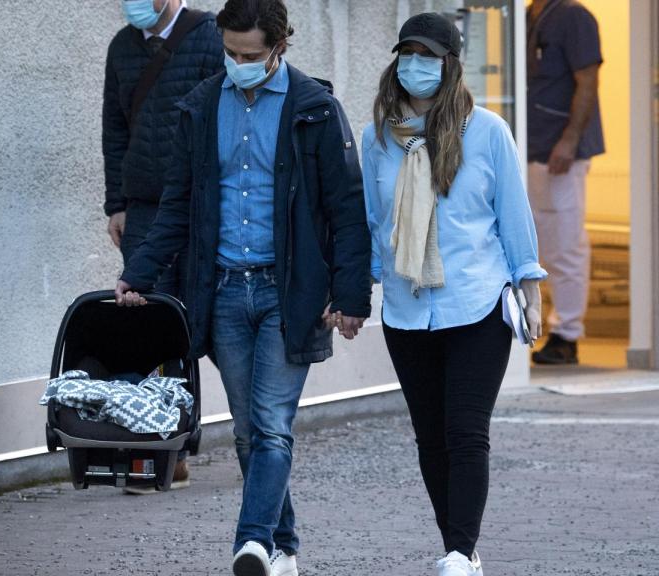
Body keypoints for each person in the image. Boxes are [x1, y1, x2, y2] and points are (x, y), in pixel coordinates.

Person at [115, 0, 371, 573]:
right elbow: (178, 206)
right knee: (249, 432)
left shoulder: (316, 110)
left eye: (250, 55)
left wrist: (351, 295)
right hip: (225, 292)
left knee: (273, 423)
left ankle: (250, 542)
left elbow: (348, 209)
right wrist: (140, 273)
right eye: (230, 53)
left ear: (279, 47)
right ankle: (283, 549)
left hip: (291, 294)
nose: (238, 63)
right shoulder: (203, 106)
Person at [362, 13, 547, 576]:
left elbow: (513, 217)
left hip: (477, 301)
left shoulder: (486, 131)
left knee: (466, 432)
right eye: (407, 54)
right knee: (431, 438)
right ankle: (459, 548)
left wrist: (532, 289)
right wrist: (353, 295)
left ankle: (460, 553)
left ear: (450, 64)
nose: (416, 65)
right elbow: (374, 222)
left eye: (429, 56)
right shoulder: (379, 137)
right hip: (406, 307)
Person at [103, 0, 225, 493]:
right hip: (144, 207)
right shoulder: (122, 47)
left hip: (199, 205)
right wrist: (117, 202)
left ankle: (257, 432)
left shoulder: (210, 36)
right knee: (148, 322)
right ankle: (160, 449)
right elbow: (115, 129)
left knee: (204, 320)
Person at [526, 0, 604, 365]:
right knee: (536, 241)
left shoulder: (573, 17)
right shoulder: (526, 15)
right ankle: (536, 326)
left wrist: (570, 140)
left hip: (561, 150)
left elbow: (588, 81)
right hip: (531, 146)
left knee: (566, 242)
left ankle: (567, 334)